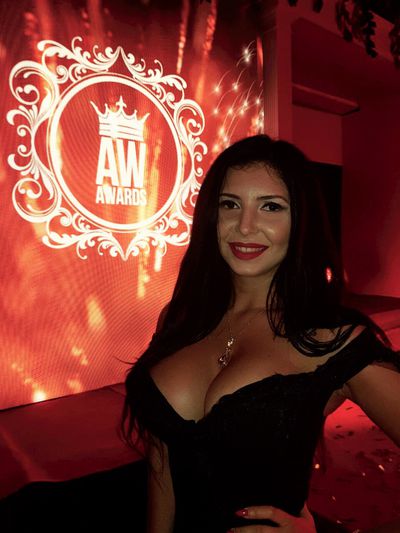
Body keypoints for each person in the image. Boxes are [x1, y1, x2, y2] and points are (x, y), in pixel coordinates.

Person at [122, 134, 400, 533]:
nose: (245, 226)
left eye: (271, 206)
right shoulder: (180, 318)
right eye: (230, 204)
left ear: (300, 220)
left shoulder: (331, 340)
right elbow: (161, 455)